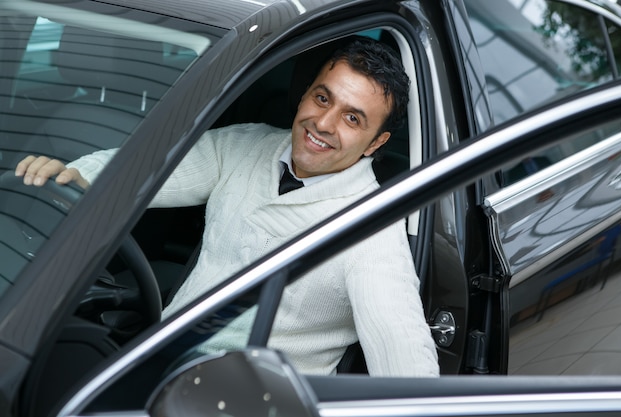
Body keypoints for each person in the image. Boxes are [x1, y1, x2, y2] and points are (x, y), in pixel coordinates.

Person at [15, 37, 439, 377]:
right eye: (322, 99)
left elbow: (406, 366)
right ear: (304, 94)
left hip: (245, 402)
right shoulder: (246, 144)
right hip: (152, 365)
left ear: (377, 143)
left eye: (353, 119)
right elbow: (145, 171)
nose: (323, 124)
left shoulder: (372, 234)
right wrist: (75, 175)